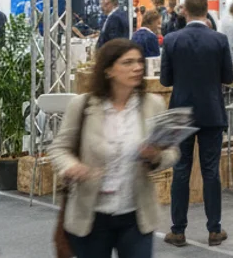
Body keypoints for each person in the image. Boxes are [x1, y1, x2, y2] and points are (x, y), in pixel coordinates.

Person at [51, 39, 179, 258]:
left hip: (136, 215)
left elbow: (173, 153)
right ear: (108, 70)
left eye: (139, 61)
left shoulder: (153, 104)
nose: (137, 67)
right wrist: (72, 167)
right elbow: (59, 149)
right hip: (90, 216)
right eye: (127, 62)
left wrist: (155, 156)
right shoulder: (82, 105)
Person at [160, 0, 233, 247]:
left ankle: (178, 230)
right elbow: (229, 77)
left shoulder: (171, 39)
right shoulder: (219, 39)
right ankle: (215, 229)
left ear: (184, 12)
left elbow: (165, 80)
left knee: (180, 170)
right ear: (207, 11)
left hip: (181, 113)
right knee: (211, 171)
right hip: (212, 112)